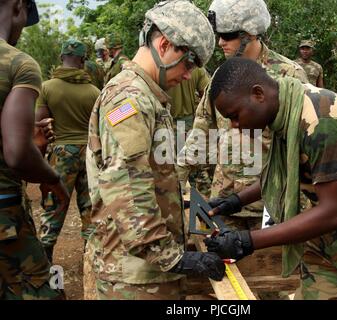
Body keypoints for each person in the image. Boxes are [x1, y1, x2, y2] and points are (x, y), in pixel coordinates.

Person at [204, 57, 337, 300]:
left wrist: (247, 241)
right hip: (327, 239)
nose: (235, 125)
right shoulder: (286, 109)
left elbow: (334, 211)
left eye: (235, 116)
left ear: (258, 94)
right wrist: (234, 201)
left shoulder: (321, 121)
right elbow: (280, 174)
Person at [85, 0, 224, 300]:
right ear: (164, 45)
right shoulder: (130, 99)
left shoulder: (147, 96)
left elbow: (148, 177)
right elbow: (128, 191)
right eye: (189, 63)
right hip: (135, 279)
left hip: (147, 271)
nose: (189, 75)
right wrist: (174, 258)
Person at [178, 0, 308, 229]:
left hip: (272, 204)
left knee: (271, 264)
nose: (220, 43)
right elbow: (202, 130)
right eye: (219, 35)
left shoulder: (289, 75)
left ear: (249, 34)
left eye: (227, 36)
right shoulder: (222, 76)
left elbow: (304, 144)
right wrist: (177, 178)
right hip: (225, 200)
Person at [0, 0, 69, 299]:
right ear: (18, 6)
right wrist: (52, 178)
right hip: (5, 215)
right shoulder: (18, 64)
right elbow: (16, 153)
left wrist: (31, 144)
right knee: (48, 289)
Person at [35, 39, 101, 262]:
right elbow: (104, 124)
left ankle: (47, 268)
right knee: (91, 210)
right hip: (91, 154)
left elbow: (40, 127)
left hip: (62, 154)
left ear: (61, 58)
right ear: (83, 61)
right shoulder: (95, 92)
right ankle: (91, 266)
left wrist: (40, 166)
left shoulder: (47, 87)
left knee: (54, 208)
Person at [166, 67, 214, 197]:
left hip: (167, 121)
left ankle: (177, 192)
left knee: (170, 163)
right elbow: (208, 93)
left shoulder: (162, 68)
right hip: (188, 122)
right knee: (192, 163)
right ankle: (201, 199)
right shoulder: (197, 69)